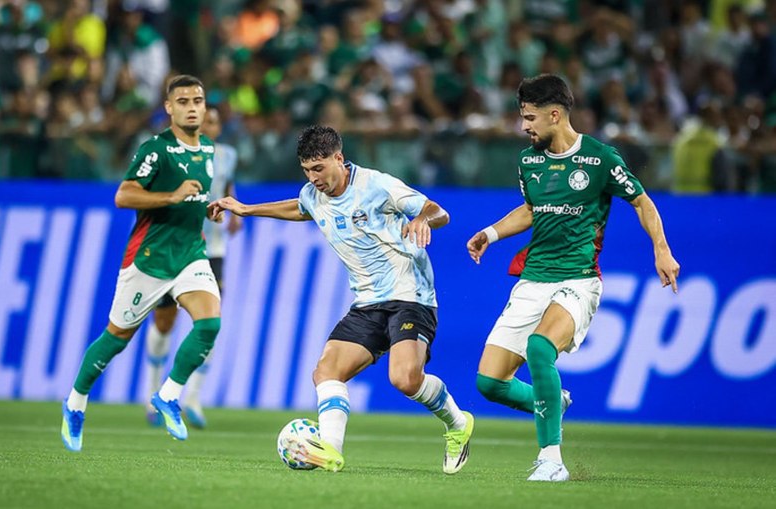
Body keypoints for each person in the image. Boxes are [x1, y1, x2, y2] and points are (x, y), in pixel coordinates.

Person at [210, 125, 474, 474]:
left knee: (405, 379)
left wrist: (423, 221)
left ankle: (458, 424)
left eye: (318, 168)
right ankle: (330, 449)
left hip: (410, 296)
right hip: (366, 303)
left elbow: (438, 211)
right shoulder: (312, 194)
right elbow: (301, 207)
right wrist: (246, 209)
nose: (313, 177)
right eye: (306, 170)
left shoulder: (376, 185)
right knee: (326, 371)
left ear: (339, 158)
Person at [466, 74, 681, 482]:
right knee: (489, 383)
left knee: (539, 348)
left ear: (554, 114)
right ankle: (553, 400)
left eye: (529, 118)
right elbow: (531, 210)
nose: (523, 126)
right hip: (533, 279)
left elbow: (642, 201)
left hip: (578, 280)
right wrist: (491, 234)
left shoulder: (601, 159)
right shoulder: (528, 161)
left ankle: (552, 460)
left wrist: (662, 249)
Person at [61, 75, 221, 452]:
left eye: (198, 100)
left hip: (190, 254)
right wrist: (172, 196)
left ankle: (168, 395)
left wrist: (205, 208)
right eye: (183, 101)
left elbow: (192, 199)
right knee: (116, 338)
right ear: (169, 108)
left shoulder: (209, 149)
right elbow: (123, 195)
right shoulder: (156, 149)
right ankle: (75, 404)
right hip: (149, 259)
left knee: (210, 323)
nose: (192, 107)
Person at [144, 105, 241, 429]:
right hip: (178, 247)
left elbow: (227, 187)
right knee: (164, 320)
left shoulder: (227, 156)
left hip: (213, 251)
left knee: (209, 322)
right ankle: (151, 392)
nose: (207, 125)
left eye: (213, 121)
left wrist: (236, 211)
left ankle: (194, 398)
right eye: (203, 120)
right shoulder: (178, 154)